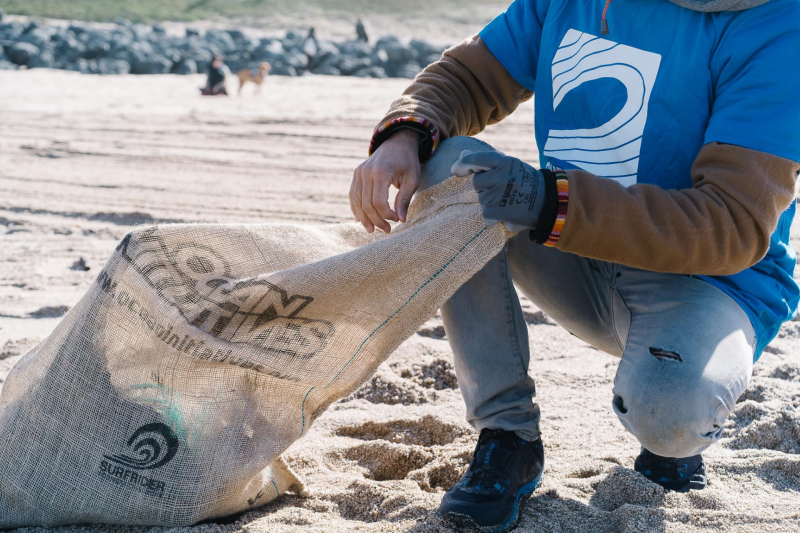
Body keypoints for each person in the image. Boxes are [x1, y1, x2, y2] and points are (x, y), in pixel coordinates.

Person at [350, 0, 800, 530]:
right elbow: (468, 76)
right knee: (450, 170)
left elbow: (731, 225)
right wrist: (403, 135)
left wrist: (544, 200)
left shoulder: (780, 23)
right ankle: (508, 436)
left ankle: (673, 442)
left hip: (709, 282)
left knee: (668, 414)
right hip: (572, 249)